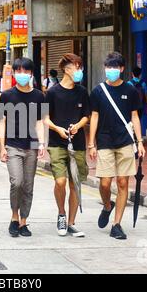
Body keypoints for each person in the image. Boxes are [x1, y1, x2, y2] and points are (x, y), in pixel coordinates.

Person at [88, 52, 145, 240]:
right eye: (108, 67)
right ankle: (107, 205)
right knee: (105, 183)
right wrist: (91, 144)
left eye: (115, 67)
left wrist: (140, 142)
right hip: (104, 141)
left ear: (121, 69)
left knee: (122, 182)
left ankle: (117, 224)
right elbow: (94, 116)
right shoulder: (98, 91)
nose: (111, 71)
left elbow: (135, 116)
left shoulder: (131, 90)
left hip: (125, 142)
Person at [0, 57, 46, 237]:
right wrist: (1, 147)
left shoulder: (38, 96)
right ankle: (14, 217)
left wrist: (41, 143)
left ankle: (24, 221)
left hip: (32, 146)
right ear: (14, 73)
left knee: (28, 185)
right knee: (16, 182)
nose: (22, 75)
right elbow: (1, 122)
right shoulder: (7, 95)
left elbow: (40, 122)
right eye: (19, 71)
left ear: (31, 74)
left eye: (26, 72)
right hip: (12, 145)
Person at [44, 53, 90, 237]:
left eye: (80, 67)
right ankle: (61, 214)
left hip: (77, 144)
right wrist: (58, 129)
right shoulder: (52, 92)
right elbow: (45, 118)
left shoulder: (82, 92)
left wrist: (78, 126)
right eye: (75, 67)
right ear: (66, 69)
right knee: (60, 181)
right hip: (57, 143)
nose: (79, 70)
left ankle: (71, 222)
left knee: (75, 184)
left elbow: (86, 115)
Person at [128, 67, 147, 137]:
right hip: (140, 106)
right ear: (140, 74)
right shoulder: (143, 84)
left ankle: (132, 136)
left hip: (130, 107)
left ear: (132, 74)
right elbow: (146, 96)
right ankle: (137, 137)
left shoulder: (129, 83)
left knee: (130, 120)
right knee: (138, 120)